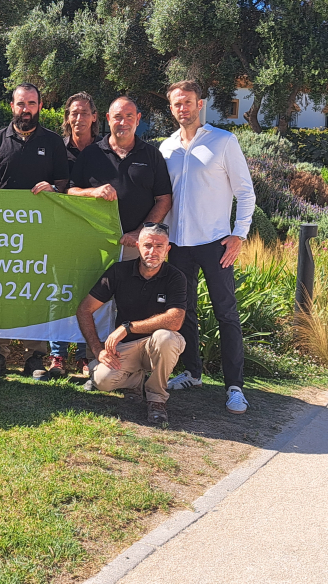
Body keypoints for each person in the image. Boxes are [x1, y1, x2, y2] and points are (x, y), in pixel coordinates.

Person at [160, 80, 256, 415]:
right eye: (176, 104)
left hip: (216, 245)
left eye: (188, 102)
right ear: (171, 108)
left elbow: (246, 192)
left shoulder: (223, 141)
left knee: (226, 314)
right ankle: (192, 373)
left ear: (200, 104)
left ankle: (234, 387)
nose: (182, 108)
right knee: (183, 313)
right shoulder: (166, 148)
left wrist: (239, 234)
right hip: (178, 246)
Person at [0, 82, 68, 381]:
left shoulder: (53, 143)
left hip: (39, 233)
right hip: (1, 233)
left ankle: (34, 356)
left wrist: (53, 188)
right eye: (20, 103)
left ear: (39, 106)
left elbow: (64, 184)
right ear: (11, 106)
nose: (25, 109)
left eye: (31, 103)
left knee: (33, 290)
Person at [75, 223, 187, 425]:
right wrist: (97, 349)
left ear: (168, 249)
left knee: (166, 337)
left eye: (159, 246)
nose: (153, 251)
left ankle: (156, 399)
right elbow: (84, 309)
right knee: (102, 381)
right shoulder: (119, 271)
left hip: (156, 345)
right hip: (126, 348)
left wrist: (128, 327)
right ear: (137, 246)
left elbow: (176, 319)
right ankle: (136, 380)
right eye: (147, 245)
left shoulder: (175, 277)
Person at [69, 96, 173, 260]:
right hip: (95, 244)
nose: (123, 122)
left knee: (134, 286)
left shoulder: (152, 155)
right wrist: (93, 192)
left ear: (138, 119)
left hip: (136, 245)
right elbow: (70, 192)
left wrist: (141, 231)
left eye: (129, 116)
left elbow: (164, 199)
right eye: (117, 117)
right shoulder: (90, 154)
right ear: (109, 119)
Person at [47, 91, 101, 376]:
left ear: (95, 117)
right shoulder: (57, 149)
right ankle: (57, 355)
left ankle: (83, 354)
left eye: (84, 112)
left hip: (94, 236)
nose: (79, 118)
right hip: (59, 233)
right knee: (58, 292)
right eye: (73, 113)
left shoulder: (105, 151)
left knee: (88, 294)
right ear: (67, 118)